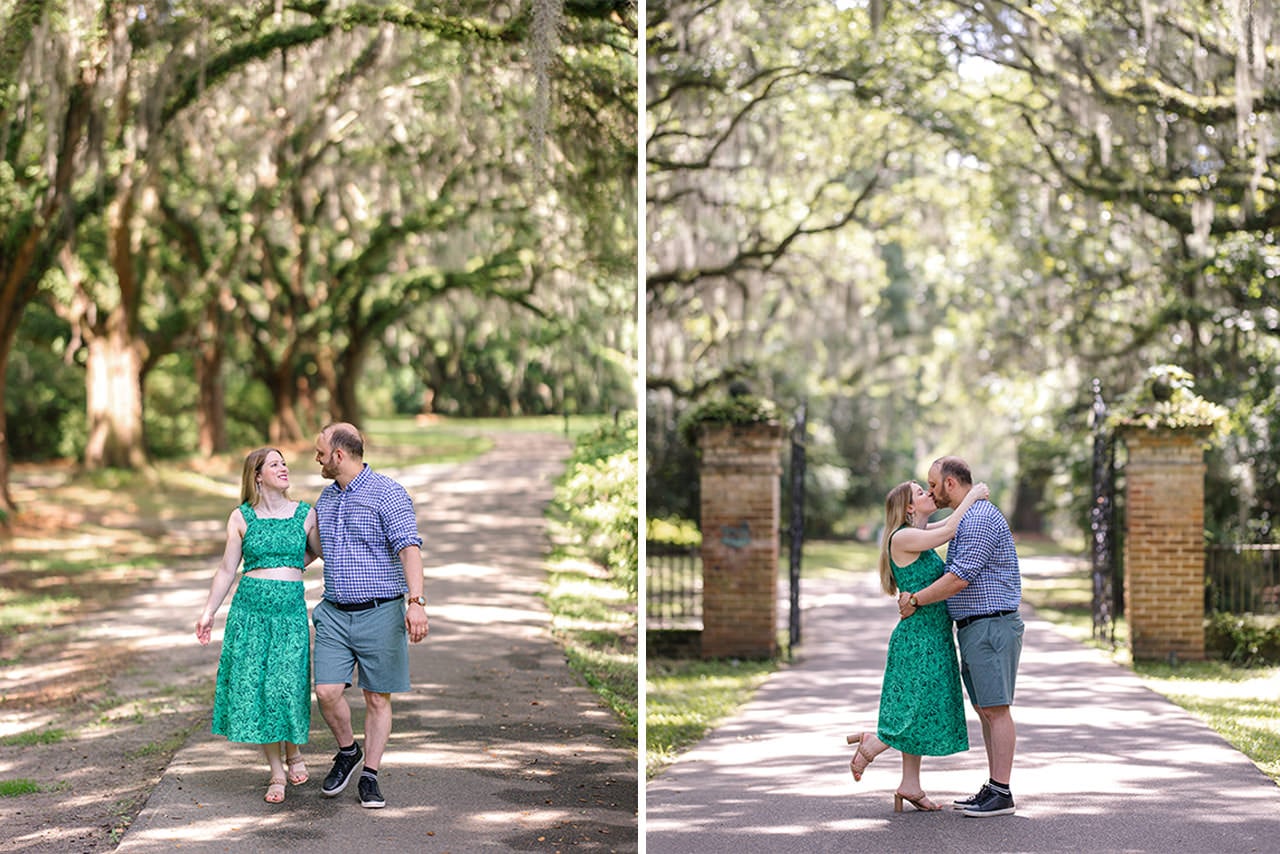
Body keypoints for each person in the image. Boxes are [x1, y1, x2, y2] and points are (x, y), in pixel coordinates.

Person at [847, 478, 989, 811]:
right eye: (921, 493)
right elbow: (949, 529)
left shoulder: (917, 535)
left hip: (934, 635)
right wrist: (973, 495)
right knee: (917, 705)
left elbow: (944, 526)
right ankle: (874, 744)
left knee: (921, 705)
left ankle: (910, 784)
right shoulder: (904, 537)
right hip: (918, 640)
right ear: (909, 507)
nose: (929, 493)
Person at [897, 455, 1023, 818]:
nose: (932, 492)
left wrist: (916, 601)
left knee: (996, 710)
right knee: (987, 709)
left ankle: (1001, 792)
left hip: (990, 625)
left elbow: (959, 578)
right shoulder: (967, 517)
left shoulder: (980, 518)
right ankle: (995, 787)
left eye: (934, 485)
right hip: (976, 627)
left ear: (951, 483)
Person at [311, 422, 429, 809]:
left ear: (339, 455)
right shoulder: (325, 502)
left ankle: (370, 775)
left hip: (380, 612)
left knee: (377, 698)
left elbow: (409, 548)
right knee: (326, 692)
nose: (317, 459)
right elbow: (309, 552)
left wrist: (416, 602)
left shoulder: (388, 494)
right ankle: (348, 750)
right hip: (334, 613)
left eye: (320, 452)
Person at [196, 447, 321, 804]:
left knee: (287, 685)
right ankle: (276, 771)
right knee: (264, 690)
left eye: (284, 463)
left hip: (289, 614)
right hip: (250, 613)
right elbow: (226, 570)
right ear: (257, 475)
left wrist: (292, 565)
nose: (283, 468)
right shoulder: (241, 517)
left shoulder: (305, 514)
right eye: (275, 464)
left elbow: (319, 552)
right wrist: (208, 612)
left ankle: (294, 752)